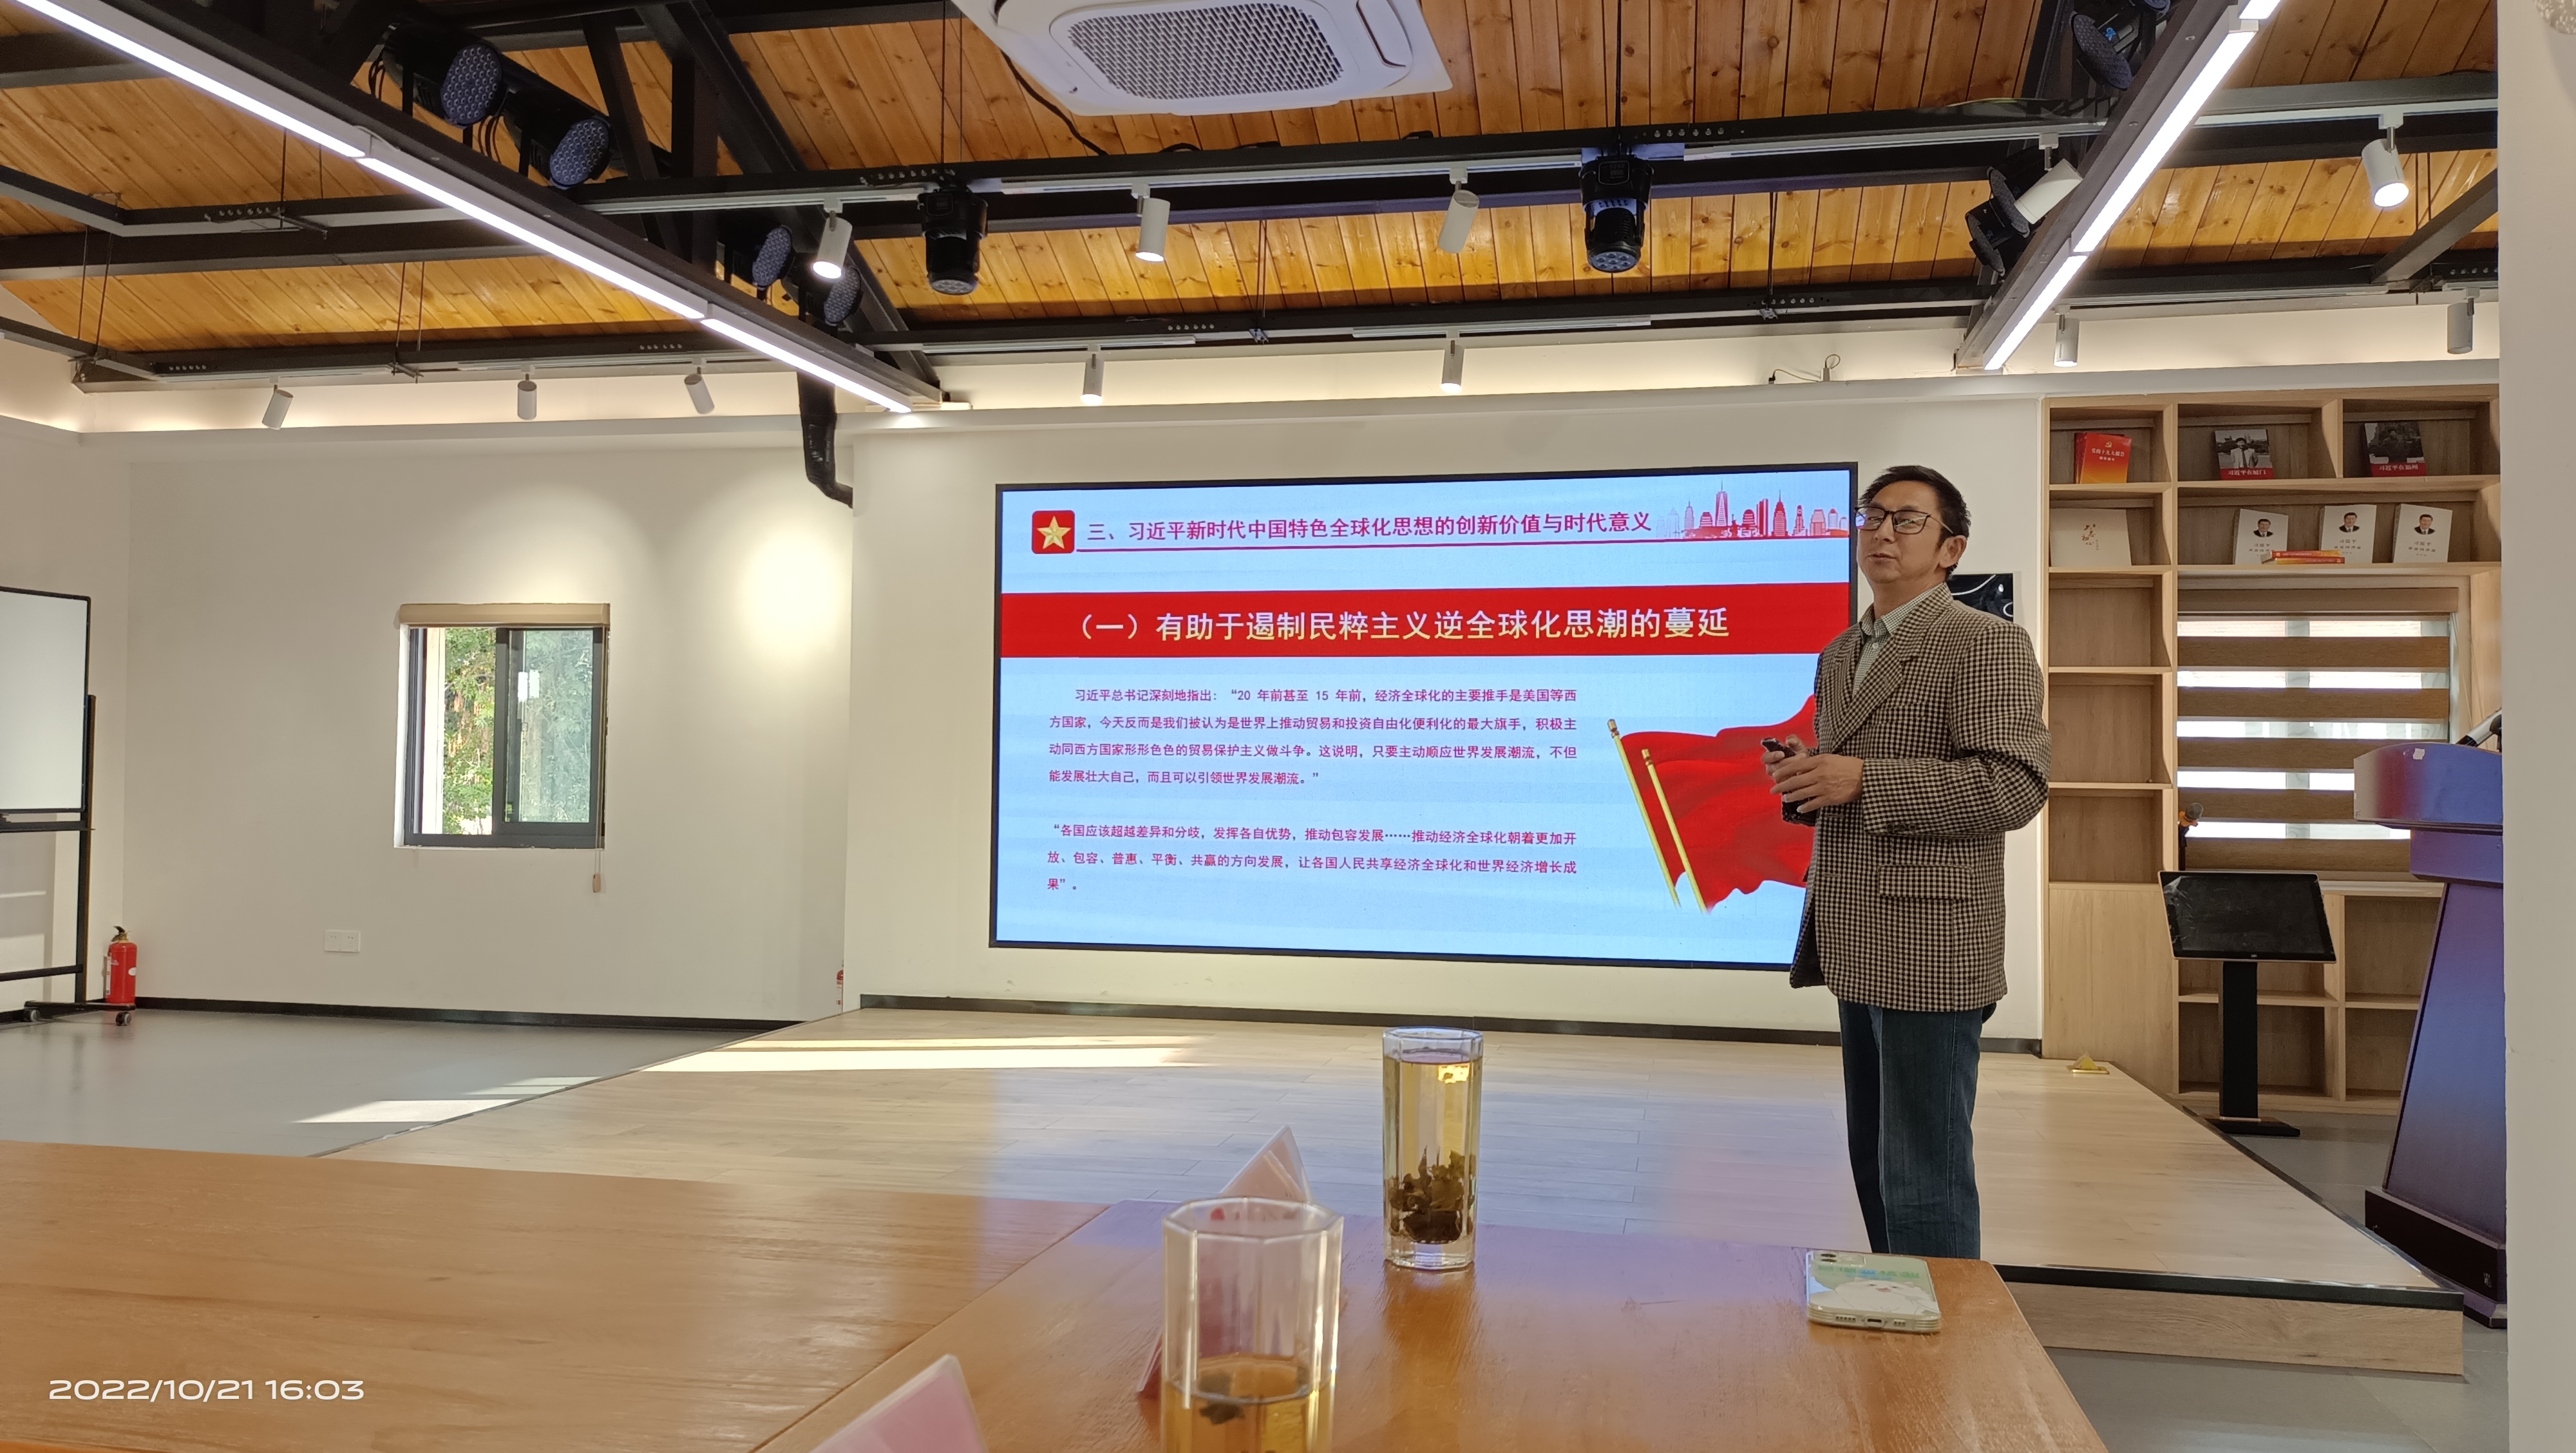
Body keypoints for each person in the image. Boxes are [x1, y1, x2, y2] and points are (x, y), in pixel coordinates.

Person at [1763, 466, 2050, 1260]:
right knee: (1873, 1157)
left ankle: (1947, 1322)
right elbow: (1854, 776)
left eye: (1907, 520)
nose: (1882, 533)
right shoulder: (1840, 651)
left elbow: (2013, 786)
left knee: (1924, 1166)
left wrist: (1863, 780)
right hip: (1854, 929)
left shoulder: (1985, 643)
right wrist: (1810, 776)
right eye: (1872, 516)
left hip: (1932, 941)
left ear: (1950, 549)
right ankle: (1897, 1298)